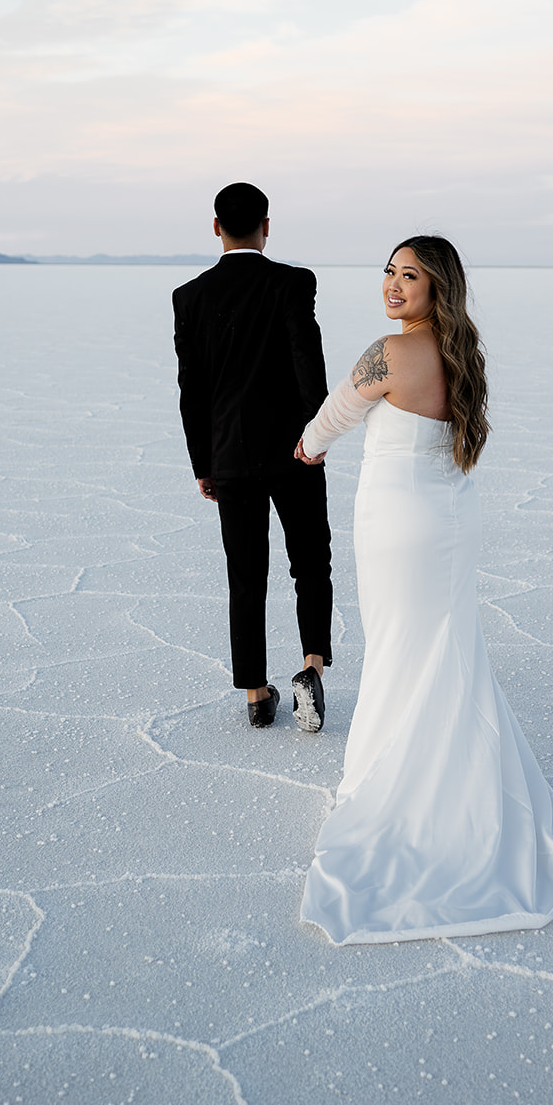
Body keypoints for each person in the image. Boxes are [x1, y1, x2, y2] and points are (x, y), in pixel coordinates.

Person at [295, 236, 553, 943]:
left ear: (436, 287)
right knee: (444, 644)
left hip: (397, 521)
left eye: (409, 276)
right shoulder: (462, 355)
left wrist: (306, 446)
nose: (392, 286)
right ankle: (462, 780)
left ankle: (390, 782)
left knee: (397, 647)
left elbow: (334, 416)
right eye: (388, 272)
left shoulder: (390, 355)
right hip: (450, 516)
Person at [172, 182, 333, 732]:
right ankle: (311, 665)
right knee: (310, 561)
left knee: (246, 575)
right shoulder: (292, 283)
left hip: (230, 455)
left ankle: (255, 695)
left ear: (215, 227)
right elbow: (308, 364)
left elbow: (191, 392)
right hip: (295, 451)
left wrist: (203, 463)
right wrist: (319, 434)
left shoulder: (189, 297)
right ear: (268, 225)